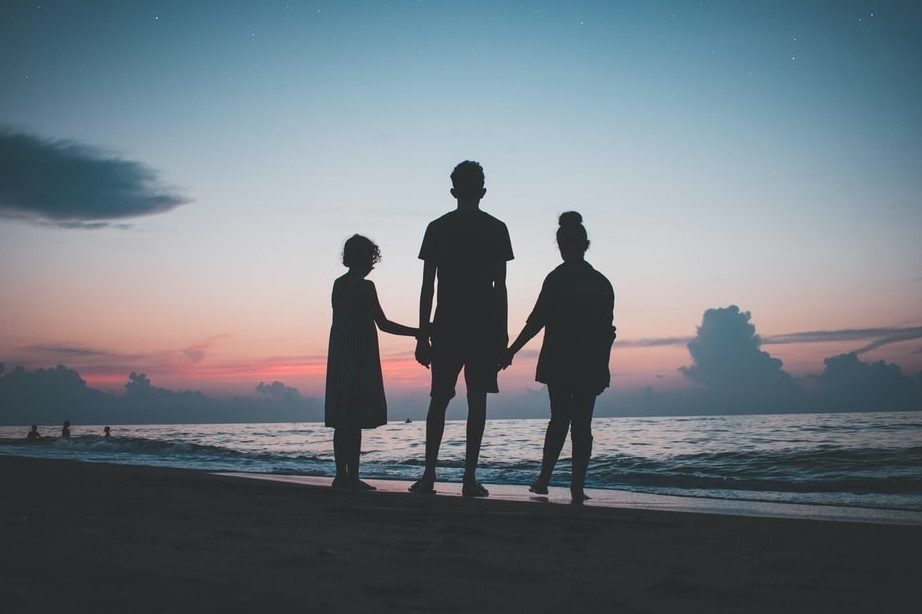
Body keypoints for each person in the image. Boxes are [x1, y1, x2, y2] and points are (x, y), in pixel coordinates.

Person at [410, 160, 514, 497]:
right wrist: (503, 334)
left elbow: (428, 286)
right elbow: (501, 287)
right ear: (483, 191)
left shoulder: (437, 227)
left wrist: (423, 334)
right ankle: (469, 479)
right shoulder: (497, 228)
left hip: (447, 325)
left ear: (454, 190)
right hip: (483, 326)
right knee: (477, 401)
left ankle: (429, 475)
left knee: (439, 399)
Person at [503, 212, 615, 503]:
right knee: (582, 425)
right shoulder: (601, 283)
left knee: (559, 420)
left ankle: (543, 479)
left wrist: (511, 351)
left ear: (560, 245)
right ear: (586, 244)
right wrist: (604, 367)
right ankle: (577, 486)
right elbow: (607, 332)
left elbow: (536, 321)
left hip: (560, 359)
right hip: (590, 362)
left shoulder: (556, 278)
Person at [325, 234, 418, 490]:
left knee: (342, 419)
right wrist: (419, 332)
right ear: (367, 259)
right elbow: (384, 324)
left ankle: (340, 475)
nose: (373, 265)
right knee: (353, 419)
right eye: (372, 259)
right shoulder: (366, 287)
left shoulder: (338, 284)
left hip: (339, 353)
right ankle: (352, 477)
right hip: (358, 352)